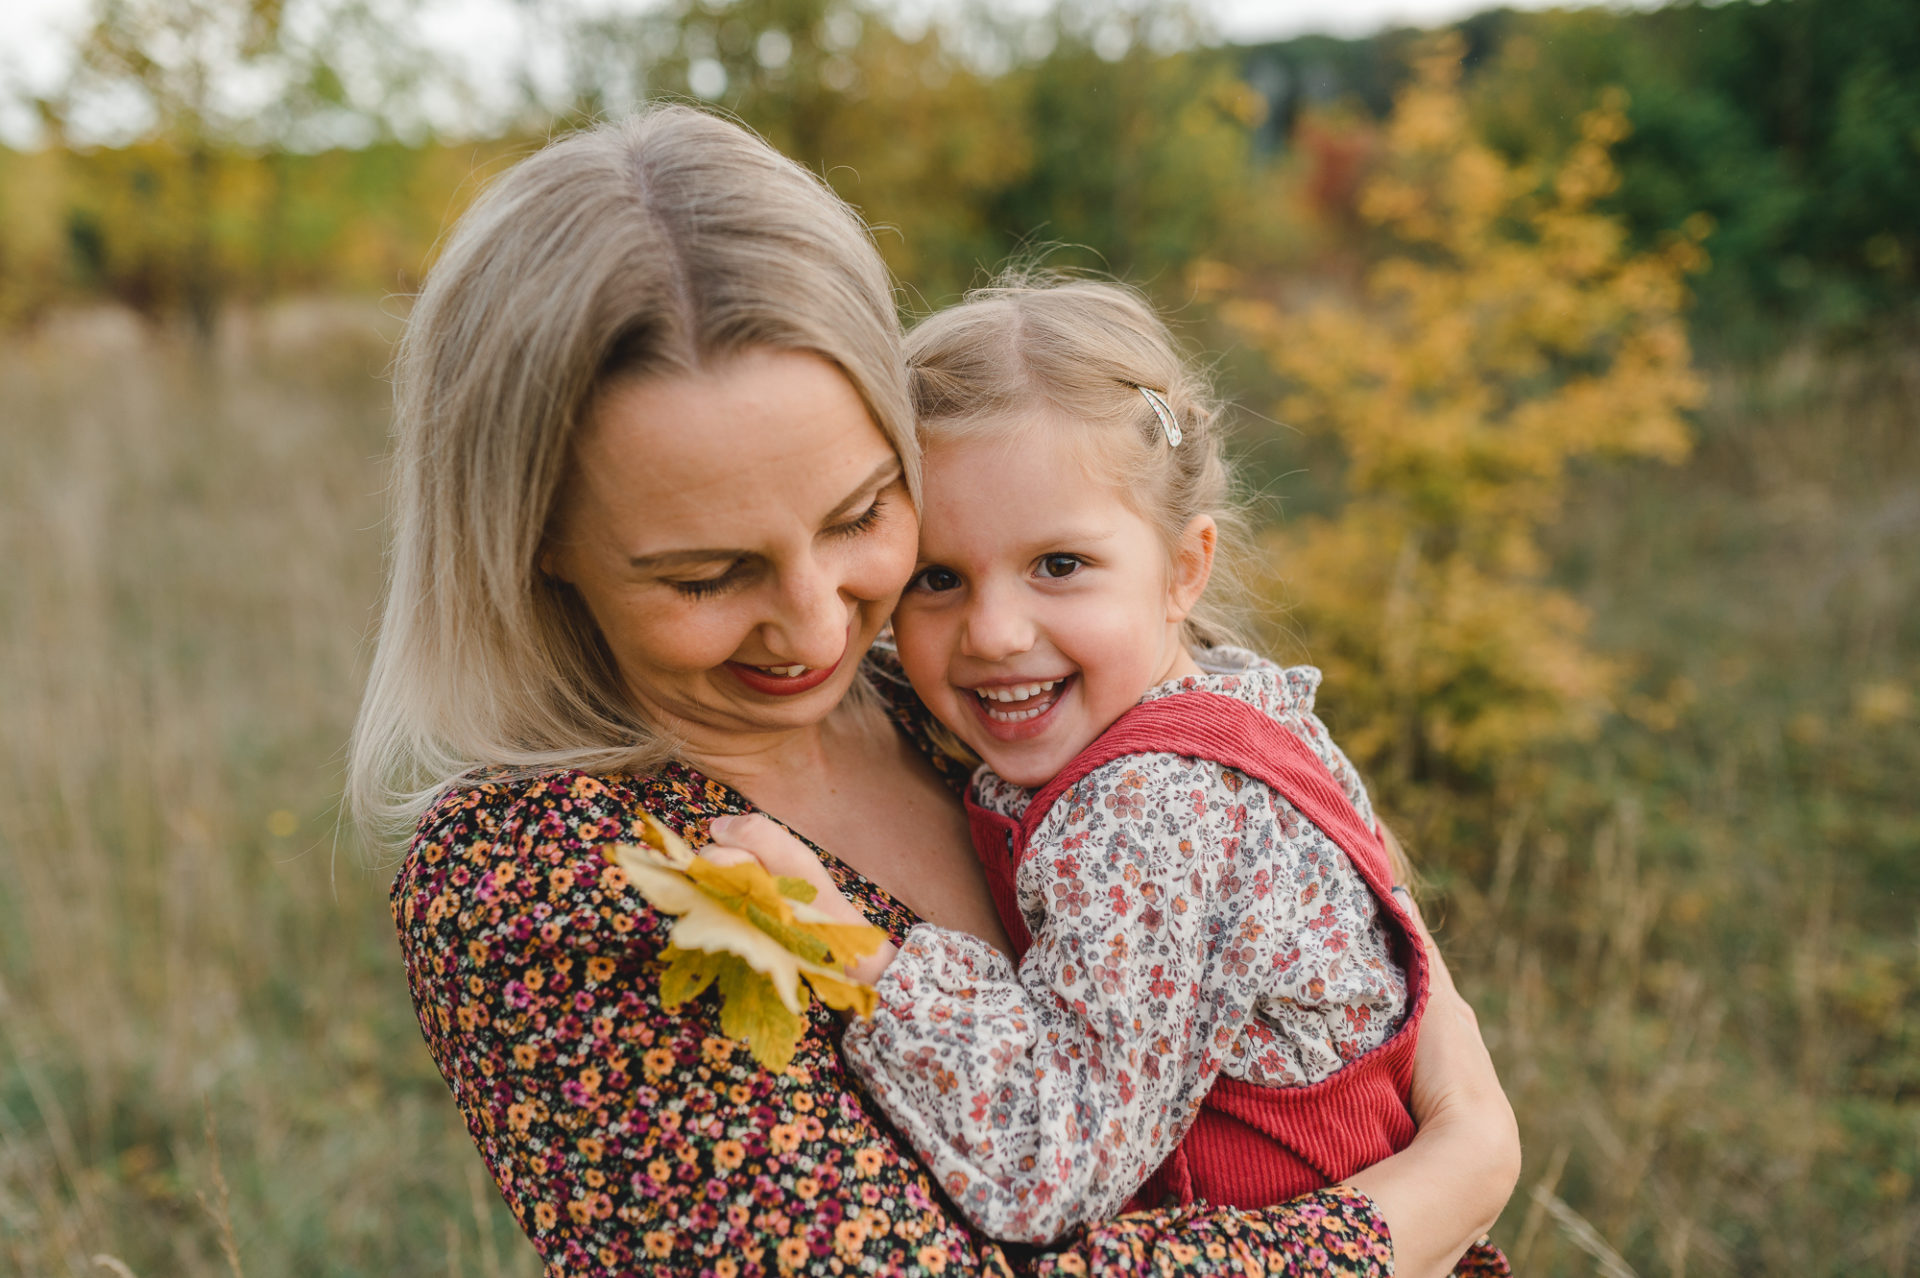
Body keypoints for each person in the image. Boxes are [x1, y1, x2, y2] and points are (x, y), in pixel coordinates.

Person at [350, 105, 1521, 1278]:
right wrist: (1437, 1189)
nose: (820, 625)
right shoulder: (539, 877)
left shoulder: (966, 697)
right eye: (708, 574)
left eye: (863, 517)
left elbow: (1358, 918)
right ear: (534, 543)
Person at [708, 278, 1494, 1261]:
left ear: (1182, 569)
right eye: (936, 579)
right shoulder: (1218, 703)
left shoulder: (1155, 808)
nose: (993, 634)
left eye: (1060, 565)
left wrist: (854, 951)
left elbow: (1053, 1165)